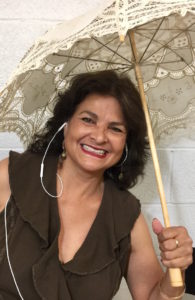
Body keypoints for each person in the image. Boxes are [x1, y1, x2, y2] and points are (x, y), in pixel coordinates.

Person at [0, 70, 193, 300]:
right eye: (88, 120)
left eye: (115, 128)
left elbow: (152, 296)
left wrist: (175, 272)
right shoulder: (12, 176)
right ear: (66, 125)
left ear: (126, 143)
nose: (100, 136)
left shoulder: (127, 218)